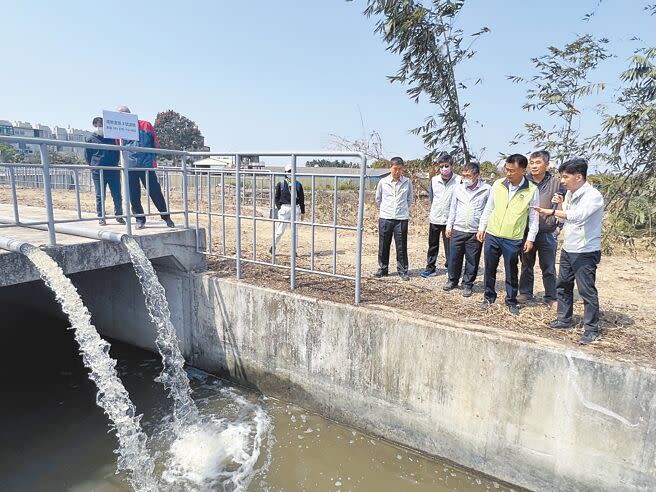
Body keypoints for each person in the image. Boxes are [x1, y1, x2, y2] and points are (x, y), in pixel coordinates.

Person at [532, 158, 604, 345]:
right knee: (563, 285)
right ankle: (564, 319)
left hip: (586, 250)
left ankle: (591, 329)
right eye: (561, 177)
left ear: (579, 177)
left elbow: (579, 216)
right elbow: (566, 220)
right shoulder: (570, 194)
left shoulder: (592, 196)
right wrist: (561, 205)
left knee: (586, 290)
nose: (562, 181)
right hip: (569, 248)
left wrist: (552, 211)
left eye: (565, 177)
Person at [477, 154, 539, 315]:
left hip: (513, 238)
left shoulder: (532, 190)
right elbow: (489, 208)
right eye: (507, 169)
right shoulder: (498, 184)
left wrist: (530, 238)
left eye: (512, 170)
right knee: (489, 268)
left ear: (523, 171)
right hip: (493, 234)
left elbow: (533, 218)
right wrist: (482, 227)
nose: (508, 173)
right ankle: (488, 297)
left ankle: (511, 301)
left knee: (511, 270)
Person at [518, 150, 565, 305]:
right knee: (526, 265)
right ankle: (525, 293)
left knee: (549, 267)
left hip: (547, 232)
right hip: (526, 232)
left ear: (547, 164)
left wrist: (559, 227)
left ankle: (551, 296)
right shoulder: (523, 181)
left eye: (538, 162)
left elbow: (565, 206)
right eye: (531, 162)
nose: (534, 166)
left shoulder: (556, 183)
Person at [117, 106, 174, 229]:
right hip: (130, 166)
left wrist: (152, 159)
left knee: (155, 192)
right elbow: (118, 147)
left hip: (146, 165)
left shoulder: (145, 125)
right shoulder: (118, 131)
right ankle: (140, 219)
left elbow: (155, 144)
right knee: (133, 194)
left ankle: (166, 217)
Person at [443, 161, 491, 297]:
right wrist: (449, 225)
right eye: (463, 175)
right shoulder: (458, 189)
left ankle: (468, 284)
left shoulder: (486, 189)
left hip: (474, 232)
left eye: (468, 175)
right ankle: (452, 280)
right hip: (457, 229)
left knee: (472, 259)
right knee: (454, 258)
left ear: (477, 175)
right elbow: (452, 208)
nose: (465, 178)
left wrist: (482, 228)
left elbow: (487, 211)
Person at [374, 157, 413, 281]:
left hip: (401, 218)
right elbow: (378, 199)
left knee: (401, 245)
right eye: (395, 169)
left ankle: (402, 270)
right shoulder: (383, 182)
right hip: (385, 217)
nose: (397, 171)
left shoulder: (407, 182)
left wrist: (402, 210)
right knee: (384, 244)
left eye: (400, 169)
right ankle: (383, 268)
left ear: (403, 169)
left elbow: (409, 199)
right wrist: (386, 210)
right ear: (390, 168)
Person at [421, 154, 459, 278]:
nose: (444, 169)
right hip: (435, 218)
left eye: (446, 166)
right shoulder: (434, 180)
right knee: (432, 245)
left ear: (451, 166)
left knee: (450, 246)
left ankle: (451, 268)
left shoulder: (458, 180)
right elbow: (432, 198)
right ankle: (431, 268)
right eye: (441, 166)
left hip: (450, 219)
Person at [84, 117, 125, 226]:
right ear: (94, 125)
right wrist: (94, 166)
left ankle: (119, 216)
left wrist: (115, 164)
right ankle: (101, 217)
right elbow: (88, 156)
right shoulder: (90, 138)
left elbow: (117, 153)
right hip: (98, 171)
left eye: (102, 124)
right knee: (100, 195)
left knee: (117, 194)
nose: (100, 126)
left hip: (113, 170)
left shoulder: (111, 138)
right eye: (98, 124)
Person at [271, 163, 305, 255]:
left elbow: (301, 199)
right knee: (280, 231)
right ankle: (273, 246)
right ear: (285, 172)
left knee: (295, 232)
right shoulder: (281, 184)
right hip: (284, 208)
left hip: (296, 208)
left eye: (293, 171)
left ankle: (294, 251)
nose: (291, 173)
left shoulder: (298, 185)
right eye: (289, 171)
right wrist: (279, 208)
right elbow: (276, 198)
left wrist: (302, 211)